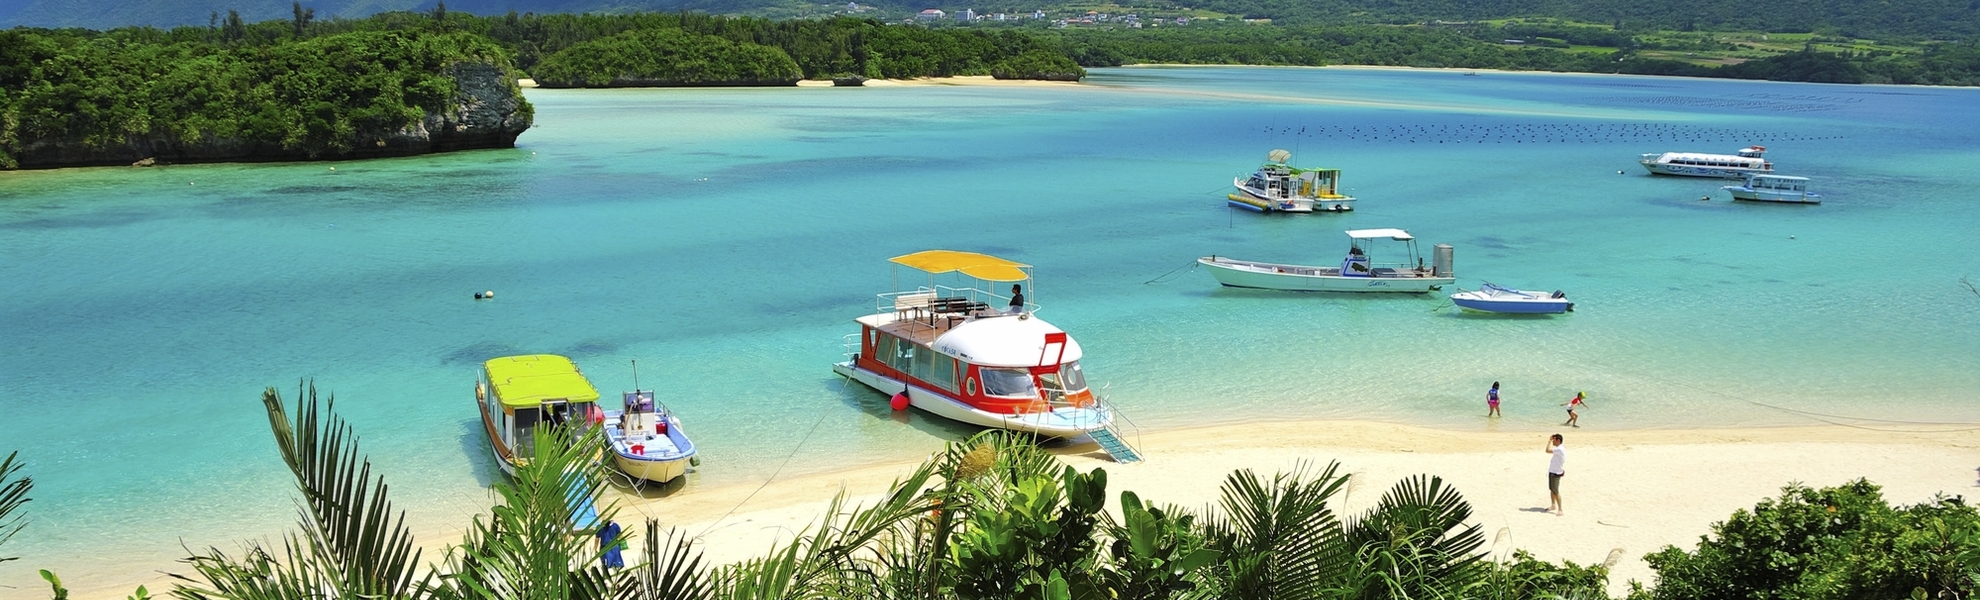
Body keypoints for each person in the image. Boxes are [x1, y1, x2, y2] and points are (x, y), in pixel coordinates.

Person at [1545, 434, 1566, 515]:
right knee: (1552, 489)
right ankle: (1553, 505)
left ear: (1558, 440)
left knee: (1556, 492)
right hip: (1553, 471)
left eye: (1554, 440)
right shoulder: (1560, 448)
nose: (1553, 441)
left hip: (1556, 473)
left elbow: (1547, 450)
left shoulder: (1559, 449)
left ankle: (1560, 509)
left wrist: (1549, 441)